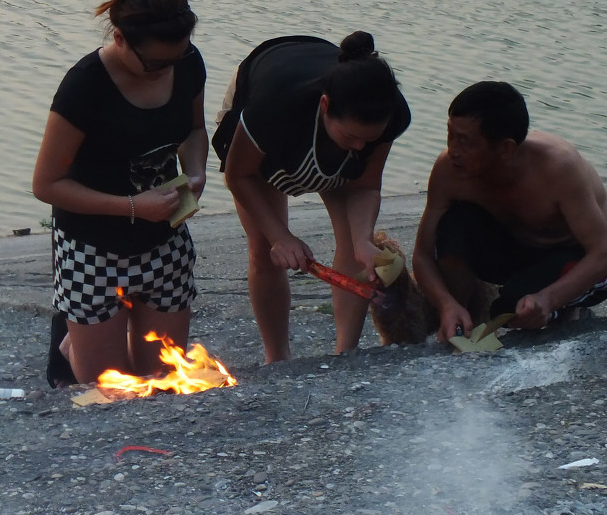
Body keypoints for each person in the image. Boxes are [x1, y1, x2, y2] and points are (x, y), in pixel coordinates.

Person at [32, 0, 207, 384]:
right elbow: (46, 184)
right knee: (110, 389)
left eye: (177, 57)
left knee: (163, 382)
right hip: (93, 250)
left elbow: (196, 130)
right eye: (154, 64)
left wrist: (196, 172)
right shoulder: (85, 86)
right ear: (120, 38)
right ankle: (72, 342)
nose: (166, 69)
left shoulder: (186, 63)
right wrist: (132, 206)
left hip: (164, 240)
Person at [212, 32, 410, 363]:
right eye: (351, 135)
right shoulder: (274, 107)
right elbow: (239, 175)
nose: (361, 147)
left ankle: (344, 353)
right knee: (265, 249)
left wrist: (363, 240)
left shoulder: (389, 114)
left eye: (369, 139)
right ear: (325, 106)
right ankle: (277, 358)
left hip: (321, 105)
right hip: (264, 89)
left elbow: (365, 186)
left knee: (354, 245)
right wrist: (281, 237)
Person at [412, 81, 607, 339]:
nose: (453, 150)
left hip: (577, 257)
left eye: (465, 142)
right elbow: (422, 255)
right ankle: (459, 319)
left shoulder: (558, 168)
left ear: (506, 148)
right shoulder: (449, 171)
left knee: (513, 308)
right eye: (450, 135)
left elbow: (602, 253)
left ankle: (567, 309)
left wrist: (548, 299)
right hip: (515, 251)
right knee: (454, 223)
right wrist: (446, 303)